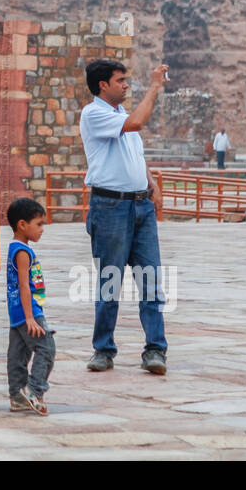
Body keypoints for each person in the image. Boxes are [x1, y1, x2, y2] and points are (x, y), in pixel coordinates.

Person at [79, 59, 168, 375]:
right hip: (110, 207)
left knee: (151, 278)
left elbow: (134, 153)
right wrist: (155, 86)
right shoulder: (95, 114)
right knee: (109, 280)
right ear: (103, 85)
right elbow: (137, 124)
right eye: (121, 80)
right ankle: (103, 349)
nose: (126, 85)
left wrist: (150, 182)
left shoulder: (119, 116)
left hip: (139, 205)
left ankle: (155, 348)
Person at [5, 197, 55, 416]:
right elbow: (25, 286)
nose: (42, 229)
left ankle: (17, 396)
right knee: (46, 348)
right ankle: (34, 390)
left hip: (16, 313)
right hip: (29, 312)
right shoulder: (23, 252)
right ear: (22, 225)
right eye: (39, 224)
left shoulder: (16, 248)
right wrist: (31, 318)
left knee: (18, 354)